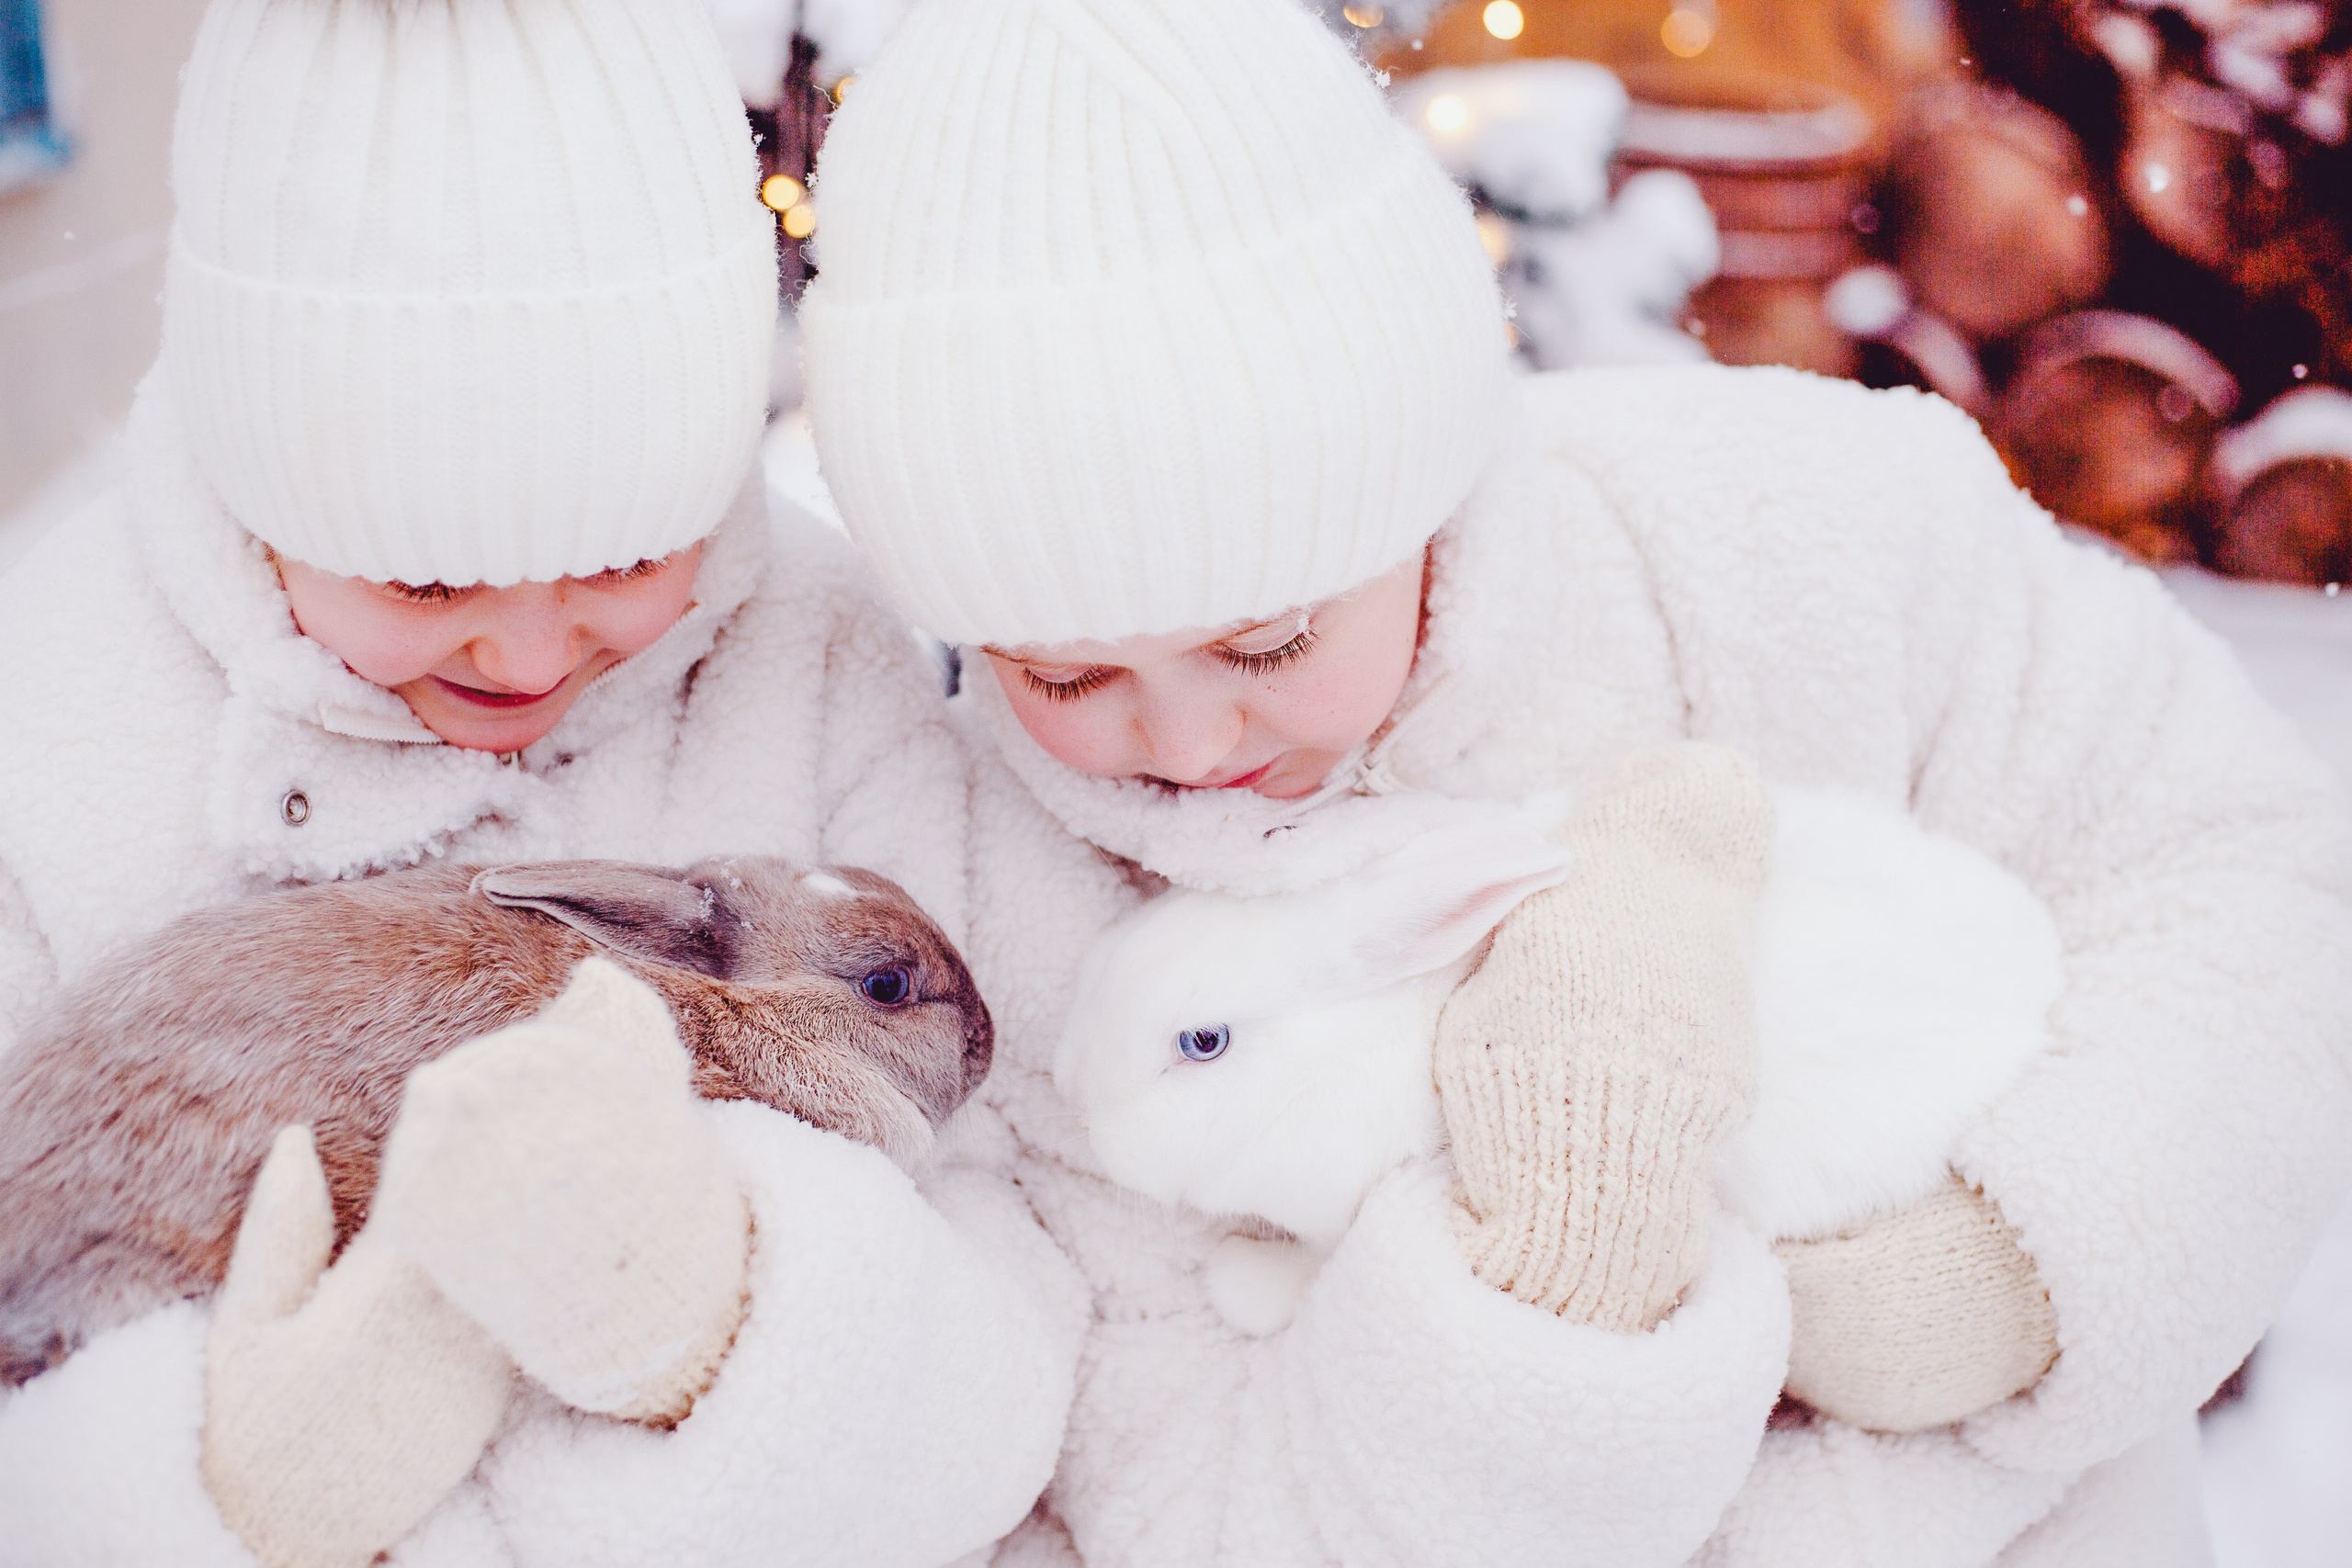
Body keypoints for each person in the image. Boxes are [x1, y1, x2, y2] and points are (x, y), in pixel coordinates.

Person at [796, 0, 2352, 1562]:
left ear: (1421, 477)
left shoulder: (1814, 526)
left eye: (1268, 642)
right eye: (1062, 677)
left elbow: (2230, 869)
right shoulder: (989, 903)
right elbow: (1180, 1478)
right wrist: (1554, 1298)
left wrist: (2016, 1277)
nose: (1197, 750)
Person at [0, 3, 1080, 1565]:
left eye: (631, 553)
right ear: (260, 480)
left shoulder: (820, 662)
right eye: (418, 578)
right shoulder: (51, 706)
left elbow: (1018, 1297)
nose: (524, 647)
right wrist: (225, 1490)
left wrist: (704, 1337)